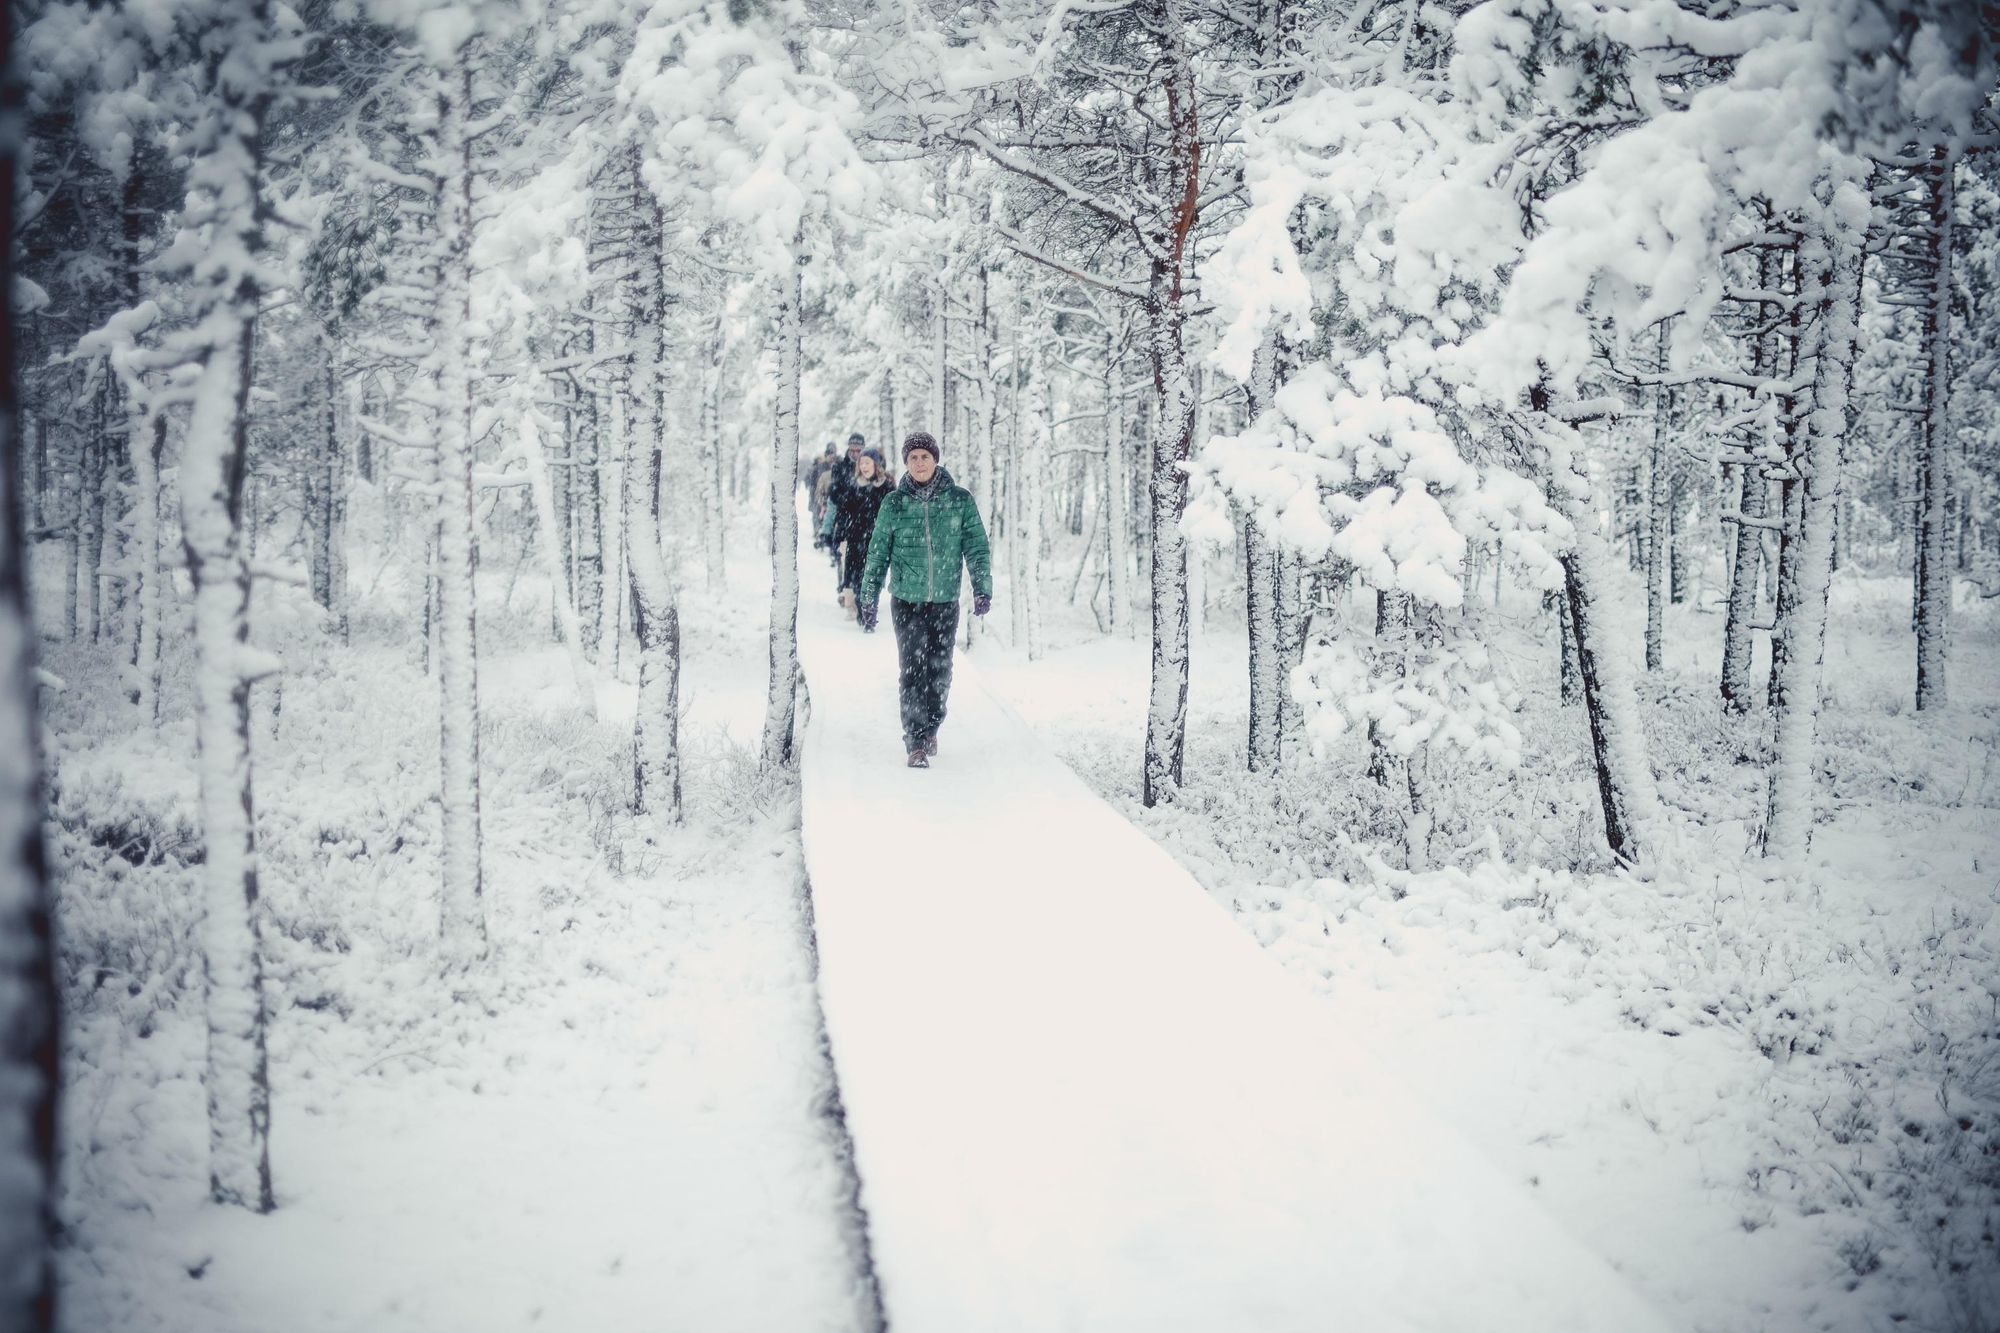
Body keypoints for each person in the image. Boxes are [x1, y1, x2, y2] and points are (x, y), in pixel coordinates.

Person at [857, 432, 993, 768]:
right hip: (906, 601)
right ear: (906, 462)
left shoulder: (959, 501)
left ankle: (932, 725)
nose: (920, 463)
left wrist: (981, 587)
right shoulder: (895, 504)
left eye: (925, 457)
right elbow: (878, 552)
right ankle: (915, 741)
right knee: (912, 670)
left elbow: (976, 547)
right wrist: (869, 597)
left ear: (935, 459)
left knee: (940, 671)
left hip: (945, 601)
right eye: (913, 458)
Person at [829, 448, 892, 620]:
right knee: (857, 577)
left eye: (867, 462)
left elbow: (895, 515)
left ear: (876, 465)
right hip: (856, 540)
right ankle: (861, 609)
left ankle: (869, 608)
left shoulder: (887, 487)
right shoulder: (854, 485)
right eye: (861, 463)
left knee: (873, 577)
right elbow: (843, 512)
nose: (863, 466)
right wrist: (838, 536)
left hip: (878, 541)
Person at [806, 443, 836, 542]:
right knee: (817, 513)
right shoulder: (819, 467)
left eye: (833, 454)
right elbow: (812, 481)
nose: (831, 457)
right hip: (819, 493)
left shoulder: (837, 465)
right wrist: (816, 493)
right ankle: (817, 531)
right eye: (829, 454)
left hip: (831, 495)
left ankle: (825, 534)